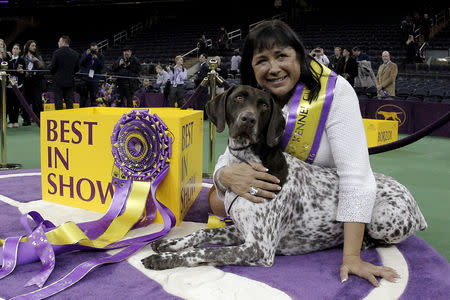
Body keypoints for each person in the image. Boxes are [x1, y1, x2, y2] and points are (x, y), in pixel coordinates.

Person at [208, 19, 400, 287]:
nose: (273, 68)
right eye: (262, 60)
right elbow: (231, 156)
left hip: (327, 199)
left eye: (282, 56)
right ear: (251, 67)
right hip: (284, 199)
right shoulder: (255, 97)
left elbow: (356, 176)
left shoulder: (334, 92)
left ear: (299, 56)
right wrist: (224, 177)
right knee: (217, 200)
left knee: (231, 203)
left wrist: (352, 256)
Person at [50, 35, 80, 110]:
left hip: (58, 81)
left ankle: (59, 119)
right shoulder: (75, 54)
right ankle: (69, 119)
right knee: (69, 102)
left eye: (59, 41)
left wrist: (54, 74)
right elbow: (77, 68)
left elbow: (53, 67)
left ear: (63, 42)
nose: (58, 43)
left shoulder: (56, 53)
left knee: (58, 101)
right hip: (70, 81)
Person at [22, 40, 45, 125]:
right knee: (25, 101)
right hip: (26, 81)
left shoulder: (38, 56)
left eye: (35, 46)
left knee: (37, 101)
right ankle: (26, 119)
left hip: (36, 81)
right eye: (32, 46)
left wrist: (37, 61)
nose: (34, 47)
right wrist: (24, 72)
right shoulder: (23, 57)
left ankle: (39, 119)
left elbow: (43, 68)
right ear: (28, 47)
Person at [79, 42, 105, 107]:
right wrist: (86, 55)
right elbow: (80, 63)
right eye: (92, 50)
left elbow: (101, 67)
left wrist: (97, 59)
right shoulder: (86, 54)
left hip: (95, 80)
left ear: (98, 49)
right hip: (85, 79)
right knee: (83, 98)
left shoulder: (101, 56)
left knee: (93, 99)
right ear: (90, 49)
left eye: (95, 50)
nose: (94, 51)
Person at [6, 43, 25, 128]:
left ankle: (16, 121)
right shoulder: (8, 60)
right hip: (9, 85)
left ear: (19, 50)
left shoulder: (21, 60)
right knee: (9, 104)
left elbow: (21, 72)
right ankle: (10, 121)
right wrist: (16, 71)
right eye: (14, 48)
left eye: (17, 48)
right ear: (12, 50)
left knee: (17, 103)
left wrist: (19, 72)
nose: (15, 50)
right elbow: (8, 72)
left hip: (18, 85)